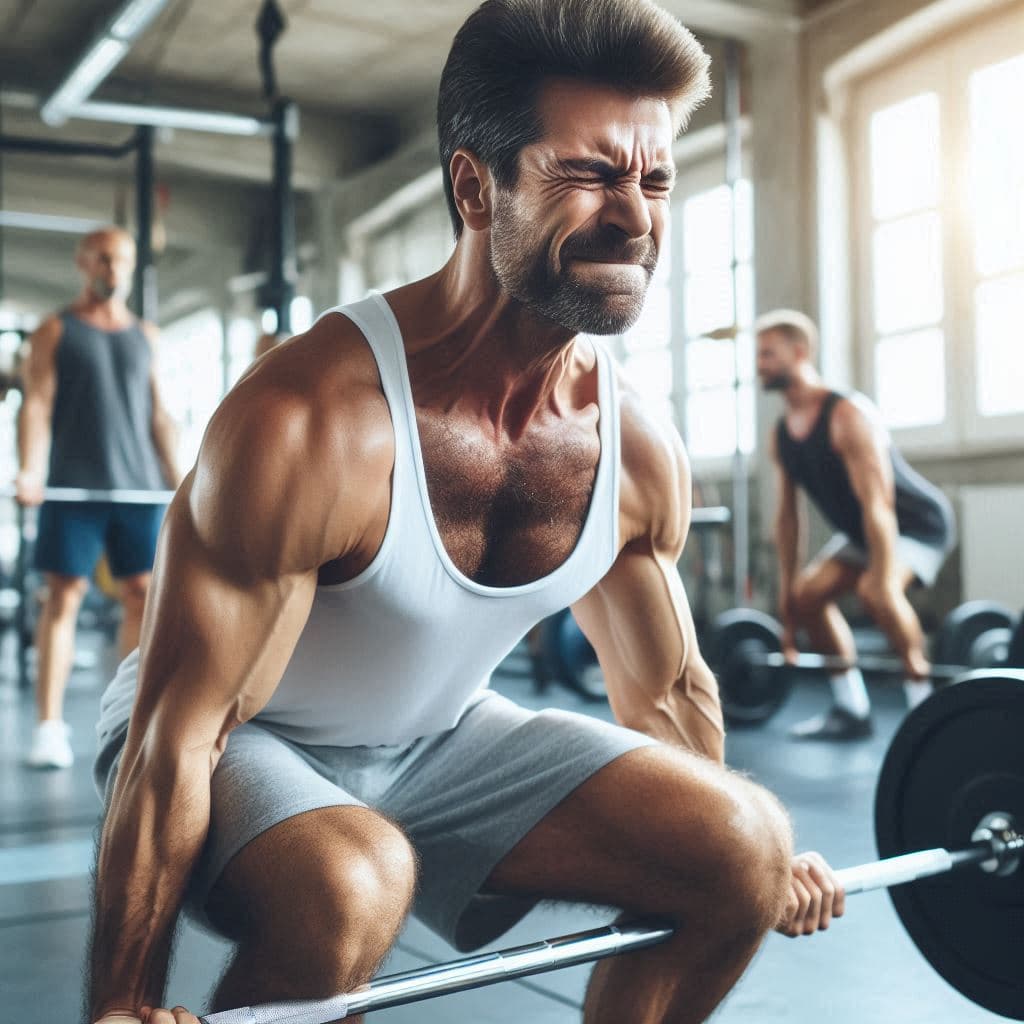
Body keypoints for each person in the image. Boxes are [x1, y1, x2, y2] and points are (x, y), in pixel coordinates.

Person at [89, 6, 844, 1024]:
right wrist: (123, 1000)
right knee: (351, 879)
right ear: (474, 187)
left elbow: (663, 690)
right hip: (232, 734)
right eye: (588, 175)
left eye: (653, 179)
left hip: (439, 735)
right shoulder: (311, 420)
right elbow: (176, 739)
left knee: (742, 842)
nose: (634, 218)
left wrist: (748, 865)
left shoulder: (632, 445)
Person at [16, 226, 181, 769]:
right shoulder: (54, 330)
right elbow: (36, 405)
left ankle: (127, 718)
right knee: (63, 599)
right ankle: (48, 728)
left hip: (138, 487)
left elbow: (158, 415)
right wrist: (30, 470)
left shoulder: (146, 336)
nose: (115, 272)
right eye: (105, 260)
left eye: (124, 262)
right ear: (83, 262)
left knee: (142, 596)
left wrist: (181, 477)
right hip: (75, 485)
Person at [757, 309, 956, 741]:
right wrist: (787, 593)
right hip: (864, 531)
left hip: (917, 525)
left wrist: (883, 580)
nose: (759, 364)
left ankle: (925, 713)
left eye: (769, 354)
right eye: (758, 355)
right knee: (808, 596)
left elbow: (878, 503)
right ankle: (851, 709)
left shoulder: (847, 415)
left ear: (800, 352)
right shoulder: (782, 434)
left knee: (876, 592)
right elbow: (789, 518)